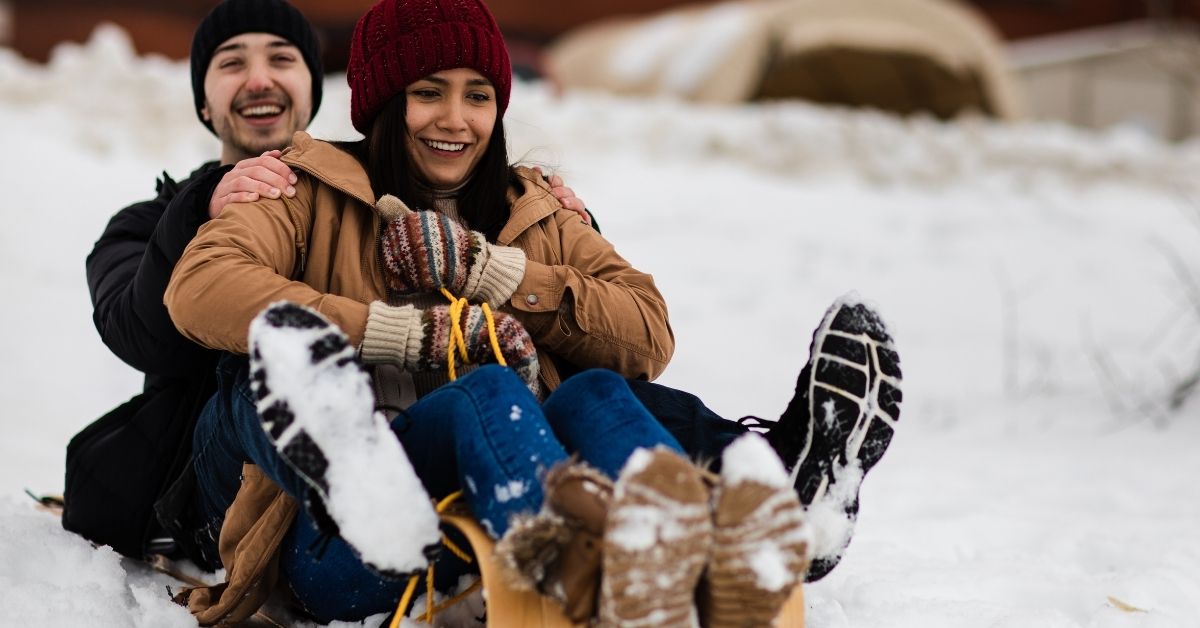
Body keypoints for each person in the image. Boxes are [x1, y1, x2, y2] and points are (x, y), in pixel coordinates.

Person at [164, 0, 901, 626]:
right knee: (485, 392)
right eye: (428, 91)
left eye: (478, 95)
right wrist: (408, 333)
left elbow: (647, 333)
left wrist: (495, 273)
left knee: (598, 390)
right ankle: (591, 567)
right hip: (358, 537)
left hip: (501, 487)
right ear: (385, 104)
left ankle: (731, 534)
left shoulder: (532, 208)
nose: (456, 119)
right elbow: (201, 285)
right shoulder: (304, 188)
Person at [65, 0, 588, 568]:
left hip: (392, 432)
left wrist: (556, 227)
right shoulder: (148, 222)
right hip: (220, 475)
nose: (259, 79)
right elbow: (140, 332)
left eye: (282, 59)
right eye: (232, 63)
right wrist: (198, 208)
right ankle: (371, 501)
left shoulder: (353, 196)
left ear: (313, 90)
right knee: (271, 357)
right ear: (202, 100)